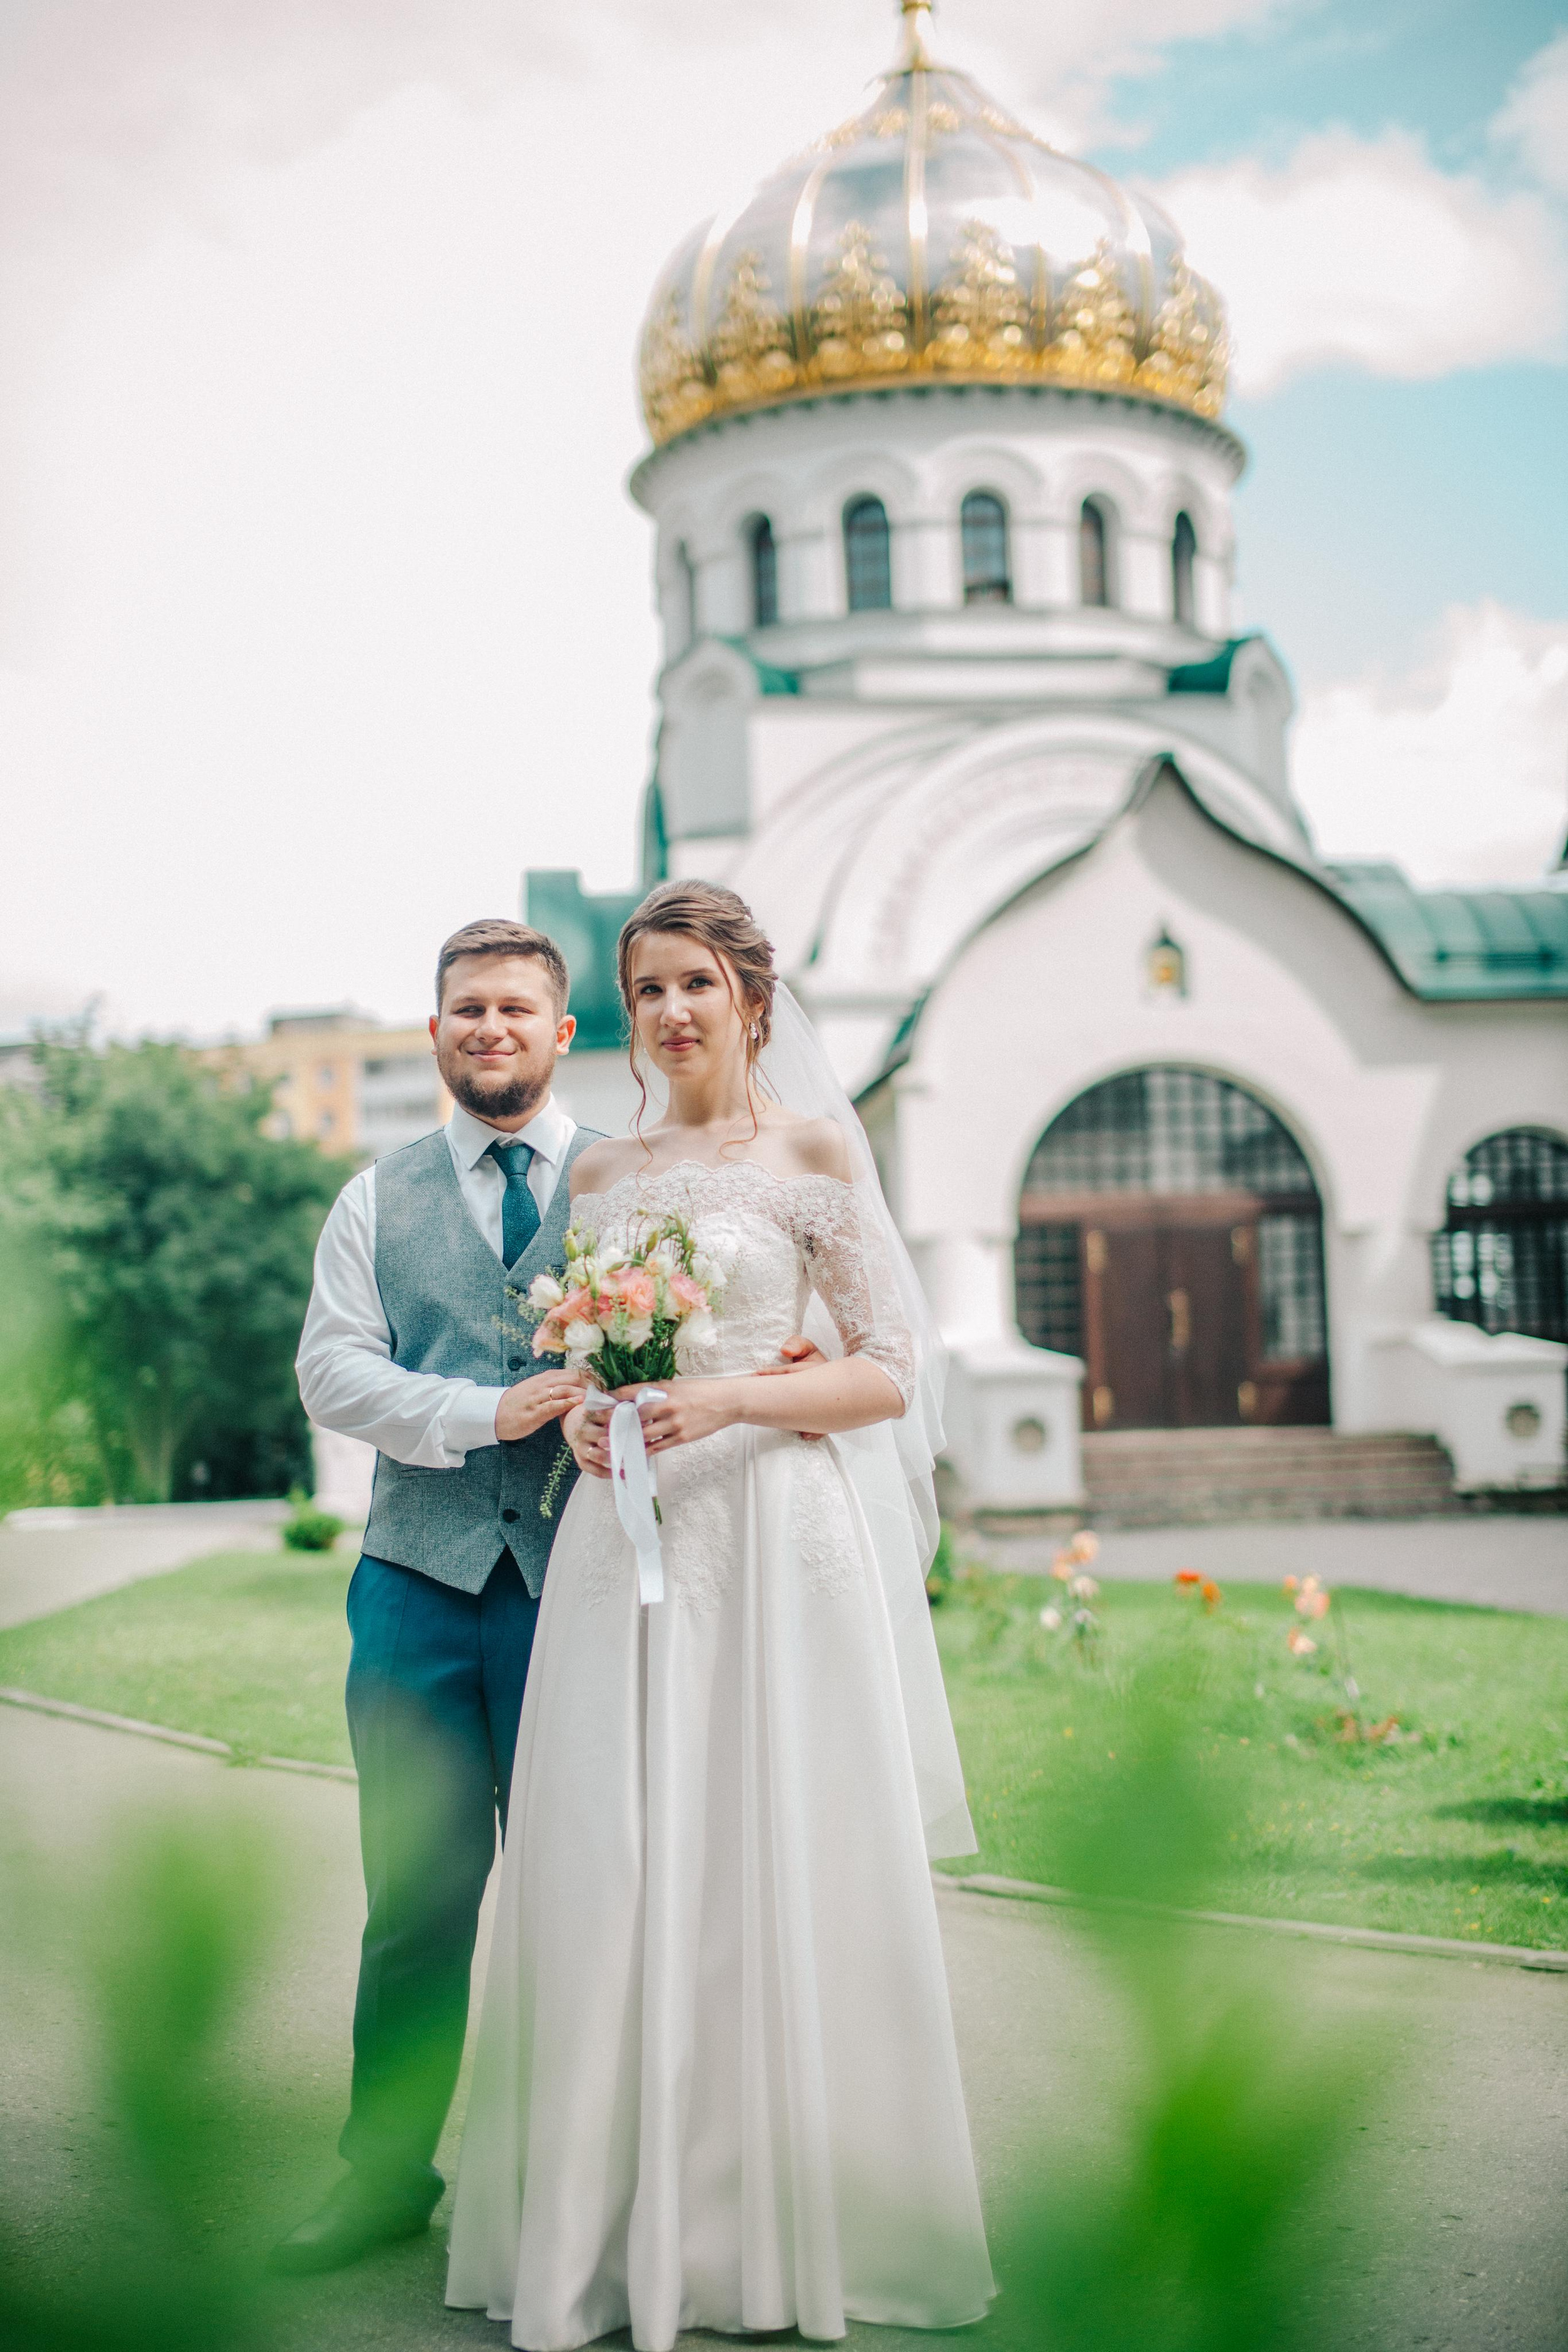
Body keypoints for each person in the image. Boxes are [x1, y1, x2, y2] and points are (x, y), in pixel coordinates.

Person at [445, 883, 993, 2348]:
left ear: (752, 995)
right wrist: (586, 1422)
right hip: (621, 1545)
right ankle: (606, 2232)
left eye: (695, 982)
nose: (671, 1014)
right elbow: (593, 1350)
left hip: (772, 1537)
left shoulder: (818, 1148)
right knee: (608, 1854)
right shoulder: (603, 1172)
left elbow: (885, 1367)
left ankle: (776, 2224)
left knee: (774, 1846)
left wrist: (733, 1395)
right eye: (646, 993)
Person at [273, 916, 822, 2278]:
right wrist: (482, 1408)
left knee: (611, 1881)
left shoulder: (638, 1172)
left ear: (564, 1031)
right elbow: (333, 1377)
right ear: (437, 1031)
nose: (490, 1030)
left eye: (516, 1008)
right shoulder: (372, 1197)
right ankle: (383, 2173)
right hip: (416, 1589)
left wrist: (785, 1360)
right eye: (466, 1010)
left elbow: (745, 1308)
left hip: (600, 1580)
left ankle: (600, 2182)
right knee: (415, 1898)